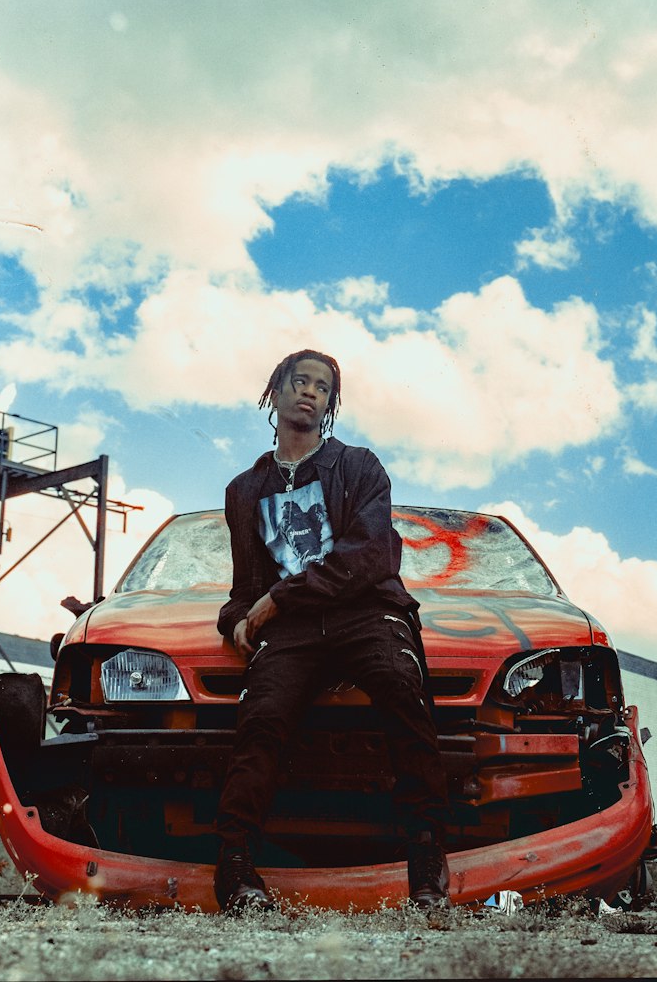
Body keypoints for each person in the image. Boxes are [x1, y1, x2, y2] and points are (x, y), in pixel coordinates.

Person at [213, 349, 450, 913]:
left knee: (402, 689)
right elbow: (245, 586)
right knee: (262, 718)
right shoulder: (244, 491)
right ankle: (237, 868)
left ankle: (425, 864)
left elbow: (367, 557)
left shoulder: (360, 467)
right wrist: (239, 621)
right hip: (292, 630)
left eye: (323, 387)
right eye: (301, 381)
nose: (310, 393)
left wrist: (275, 600)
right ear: (276, 390)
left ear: (331, 403)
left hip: (365, 612)